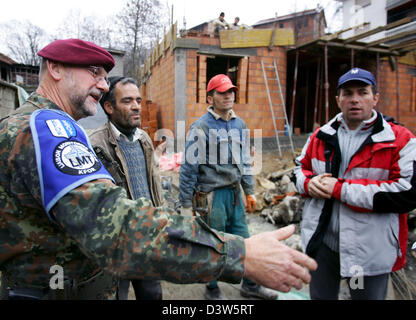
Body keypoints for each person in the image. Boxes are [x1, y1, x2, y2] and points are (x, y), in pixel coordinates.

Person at [0, 38, 317, 300]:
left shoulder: (48, 126)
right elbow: (115, 227)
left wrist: (246, 190)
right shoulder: (46, 128)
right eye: (94, 71)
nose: (101, 84)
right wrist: (239, 255)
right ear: (54, 68)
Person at [294, 67, 416, 300]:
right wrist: (308, 184)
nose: (355, 99)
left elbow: (407, 193)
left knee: (362, 296)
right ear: (338, 99)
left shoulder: (400, 140)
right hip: (323, 247)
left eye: (363, 92)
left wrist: (339, 189)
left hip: (365, 254)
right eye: (348, 93)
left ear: (375, 98)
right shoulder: (320, 136)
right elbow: (299, 169)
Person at [179, 74, 277, 300]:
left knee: (244, 241)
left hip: (234, 194)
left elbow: (244, 162)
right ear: (210, 97)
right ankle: (211, 288)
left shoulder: (239, 124)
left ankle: (250, 285)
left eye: (231, 91)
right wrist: (185, 204)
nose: (228, 96)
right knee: (215, 244)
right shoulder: (201, 127)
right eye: (222, 92)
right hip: (212, 197)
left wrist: (249, 190)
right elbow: (188, 168)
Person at [88, 76, 163, 300]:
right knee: (116, 294)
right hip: (117, 245)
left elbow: (154, 185)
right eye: (127, 101)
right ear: (109, 107)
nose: (137, 107)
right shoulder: (95, 145)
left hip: (148, 236)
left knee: (152, 294)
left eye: (138, 100)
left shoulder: (144, 140)